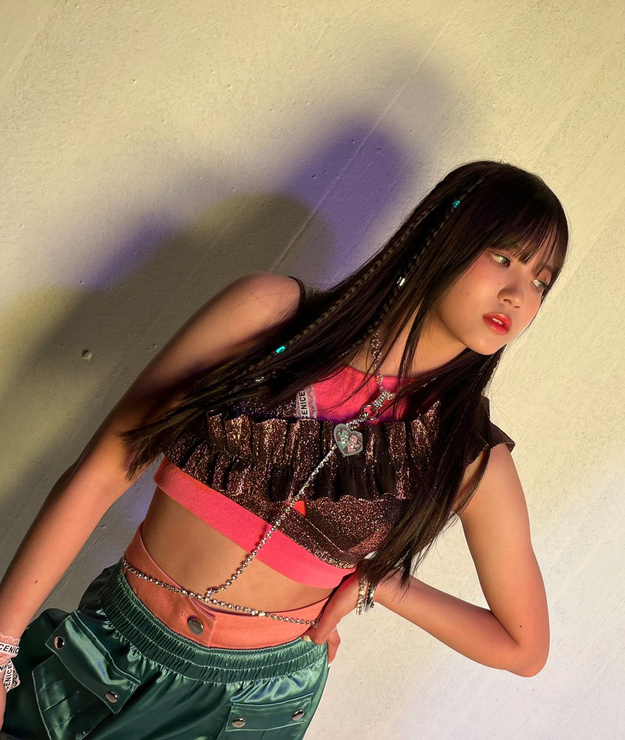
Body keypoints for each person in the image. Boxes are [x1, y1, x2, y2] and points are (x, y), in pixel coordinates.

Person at [0, 159, 567, 738]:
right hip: (115, 645)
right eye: (504, 258)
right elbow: (104, 470)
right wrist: (1, 645)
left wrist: (379, 583)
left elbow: (524, 648)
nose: (517, 294)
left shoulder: (466, 453)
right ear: (444, 234)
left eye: (541, 281)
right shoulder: (271, 316)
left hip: (257, 704)